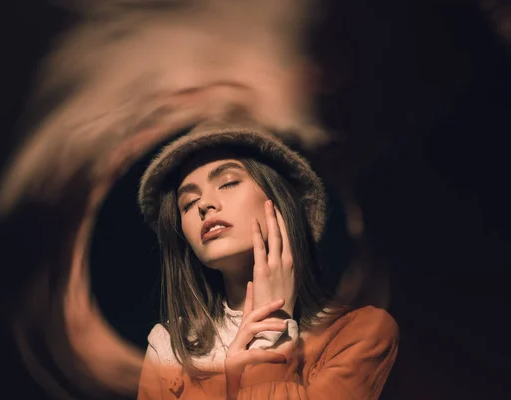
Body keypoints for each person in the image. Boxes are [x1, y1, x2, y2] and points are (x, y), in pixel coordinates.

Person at [136, 121, 399, 400]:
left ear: (280, 199)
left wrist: (269, 340)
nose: (204, 205)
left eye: (228, 182)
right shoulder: (168, 348)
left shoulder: (359, 334)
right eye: (187, 203)